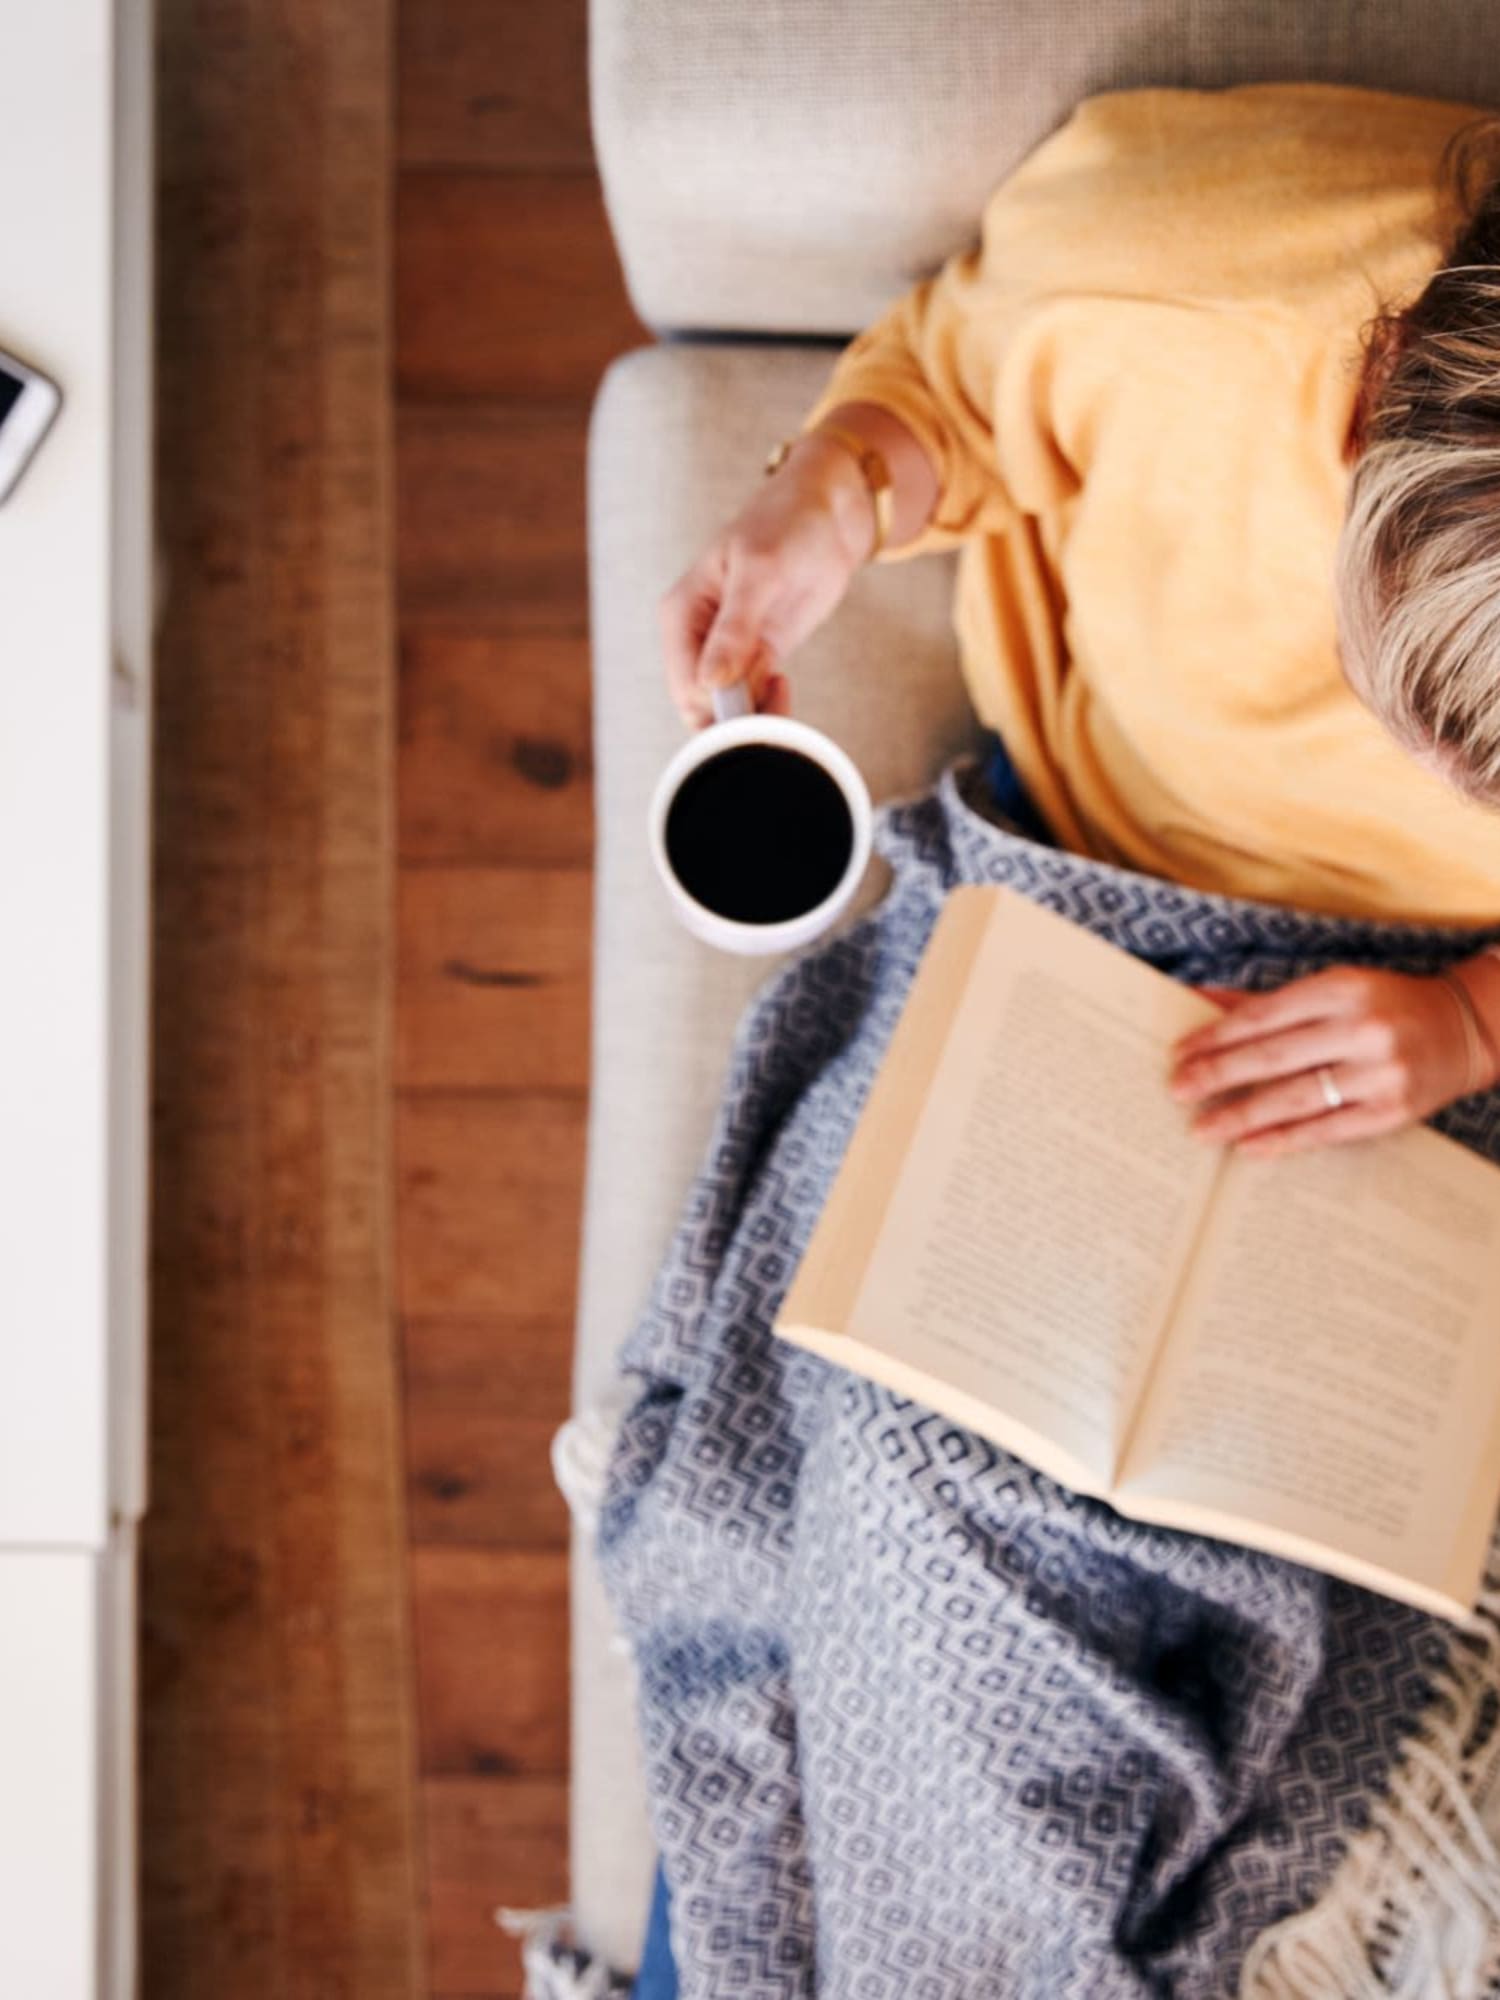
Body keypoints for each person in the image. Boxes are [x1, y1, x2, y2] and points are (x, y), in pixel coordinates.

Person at [657, 81, 1500, 1179]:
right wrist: (835, 489)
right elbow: (952, 393)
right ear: (1387, 373)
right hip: (1098, 862)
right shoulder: (1177, 272)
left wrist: (1469, 1025)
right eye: (1370, 660)